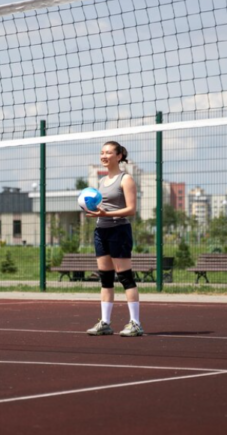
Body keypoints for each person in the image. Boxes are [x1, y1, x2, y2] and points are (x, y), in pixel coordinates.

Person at [84, 141, 143, 337]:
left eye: (108, 152)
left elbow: (131, 209)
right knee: (105, 279)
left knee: (125, 277)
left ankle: (135, 323)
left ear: (119, 156)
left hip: (119, 230)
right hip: (101, 231)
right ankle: (105, 323)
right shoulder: (102, 181)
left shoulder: (126, 179)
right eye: (102, 152)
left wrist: (107, 214)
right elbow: (103, 207)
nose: (104, 156)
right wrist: (92, 210)